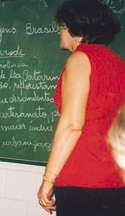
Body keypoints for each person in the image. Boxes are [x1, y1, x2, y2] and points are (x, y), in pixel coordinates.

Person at [37, 0, 125, 215]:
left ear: (76, 29)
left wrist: (48, 179)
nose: (59, 32)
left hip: (82, 178)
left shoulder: (80, 59)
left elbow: (72, 126)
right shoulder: (118, 63)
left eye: (62, 26)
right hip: (116, 178)